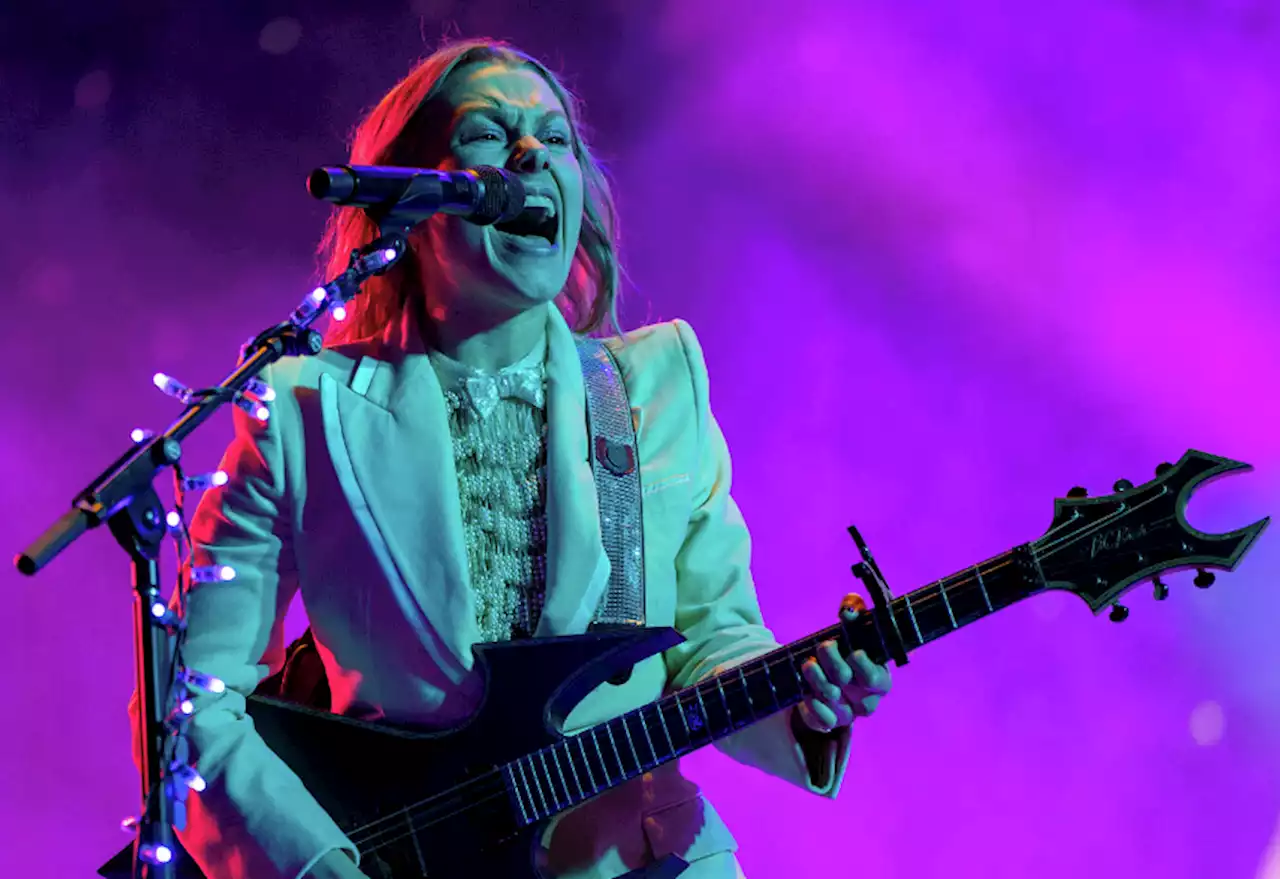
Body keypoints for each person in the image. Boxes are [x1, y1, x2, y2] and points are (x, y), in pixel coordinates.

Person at [162, 37, 893, 879]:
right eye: (488, 132)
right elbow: (195, 703)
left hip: (642, 859)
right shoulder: (303, 410)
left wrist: (802, 702)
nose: (532, 154)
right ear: (412, 194)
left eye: (557, 138)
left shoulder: (652, 388)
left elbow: (711, 637)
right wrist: (320, 868)